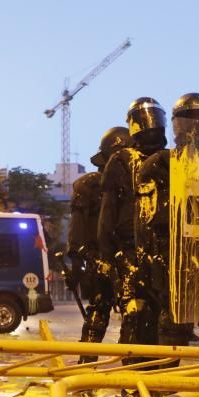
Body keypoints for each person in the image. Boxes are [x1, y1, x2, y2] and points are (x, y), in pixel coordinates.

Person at [137, 92, 199, 349]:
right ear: (179, 125)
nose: (198, 127)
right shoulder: (160, 163)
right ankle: (166, 386)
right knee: (173, 329)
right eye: (193, 120)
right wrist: (150, 259)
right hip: (174, 259)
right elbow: (145, 220)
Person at [97, 98, 167, 354]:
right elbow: (108, 214)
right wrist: (108, 256)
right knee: (136, 316)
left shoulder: (169, 159)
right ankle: (131, 384)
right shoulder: (122, 160)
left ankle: (155, 380)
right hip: (129, 252)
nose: (153, 125)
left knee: (164, 321)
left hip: (163, 251)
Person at [68, 126, 132, 362]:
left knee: (133, 318)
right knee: (97, 317)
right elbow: (77, 228)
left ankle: (129, 375)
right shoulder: (89, 185)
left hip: (126, 258)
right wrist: (76, 261)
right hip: (99, 260)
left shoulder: (133, 184)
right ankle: (86, 371)